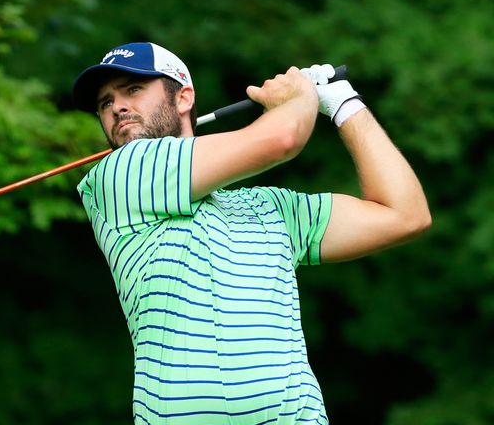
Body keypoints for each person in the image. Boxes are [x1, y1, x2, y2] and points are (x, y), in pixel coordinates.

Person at [71, 42, 431, 425]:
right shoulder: (121, 175)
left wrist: (345, 105)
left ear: (183, 97)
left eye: (133, 89)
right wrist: (301, 95)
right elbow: (282, 140)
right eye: (105, 103)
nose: (118, 107)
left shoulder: (269, 207)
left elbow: (404, 215)